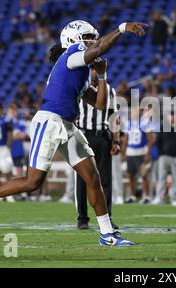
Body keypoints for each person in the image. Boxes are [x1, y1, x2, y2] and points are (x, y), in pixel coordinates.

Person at [0, 19, 147, 247]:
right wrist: (122, 28)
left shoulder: (79, 72)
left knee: (93, 177)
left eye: (92, 38)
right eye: (87, 38)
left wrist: (102, 76)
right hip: (49, 121)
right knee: (33, 182)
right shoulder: (71, 57)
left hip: (69, 125)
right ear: (73, 40)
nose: (92, 41)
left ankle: (107, 234)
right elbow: (100, 47)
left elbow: (100, 105)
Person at [74, 68, 120, 230]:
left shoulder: (109, 90)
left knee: (105, 179)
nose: (93, 73)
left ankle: (107, 217)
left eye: (96, 70)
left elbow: (114, 117)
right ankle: (82, 218)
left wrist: (116, 141)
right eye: (91, 69)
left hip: (102, 137)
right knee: (81, 179)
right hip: (83, 136)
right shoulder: (80, 86)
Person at [152, 112, 176, 206]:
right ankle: (159, 197)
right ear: (168, 117)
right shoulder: (164, 127)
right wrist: (161, 153)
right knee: (161, 177)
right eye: (171, 115)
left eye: (174, 115)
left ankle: (174, 198)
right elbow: (158, 141)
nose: (173, 117)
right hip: (164, 156)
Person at [122, 106, 155, 204]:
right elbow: (125, 140)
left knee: (143, 175)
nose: (133, 113)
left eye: (135, 111)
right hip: (130, 152)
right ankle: (132, 195)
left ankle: (147, 196)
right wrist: (123, 153)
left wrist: (148, 153)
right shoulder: (128, 124)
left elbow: (151, 140)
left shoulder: (145, 123)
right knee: (130, 175)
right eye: (132, 112)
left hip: (141, 152)